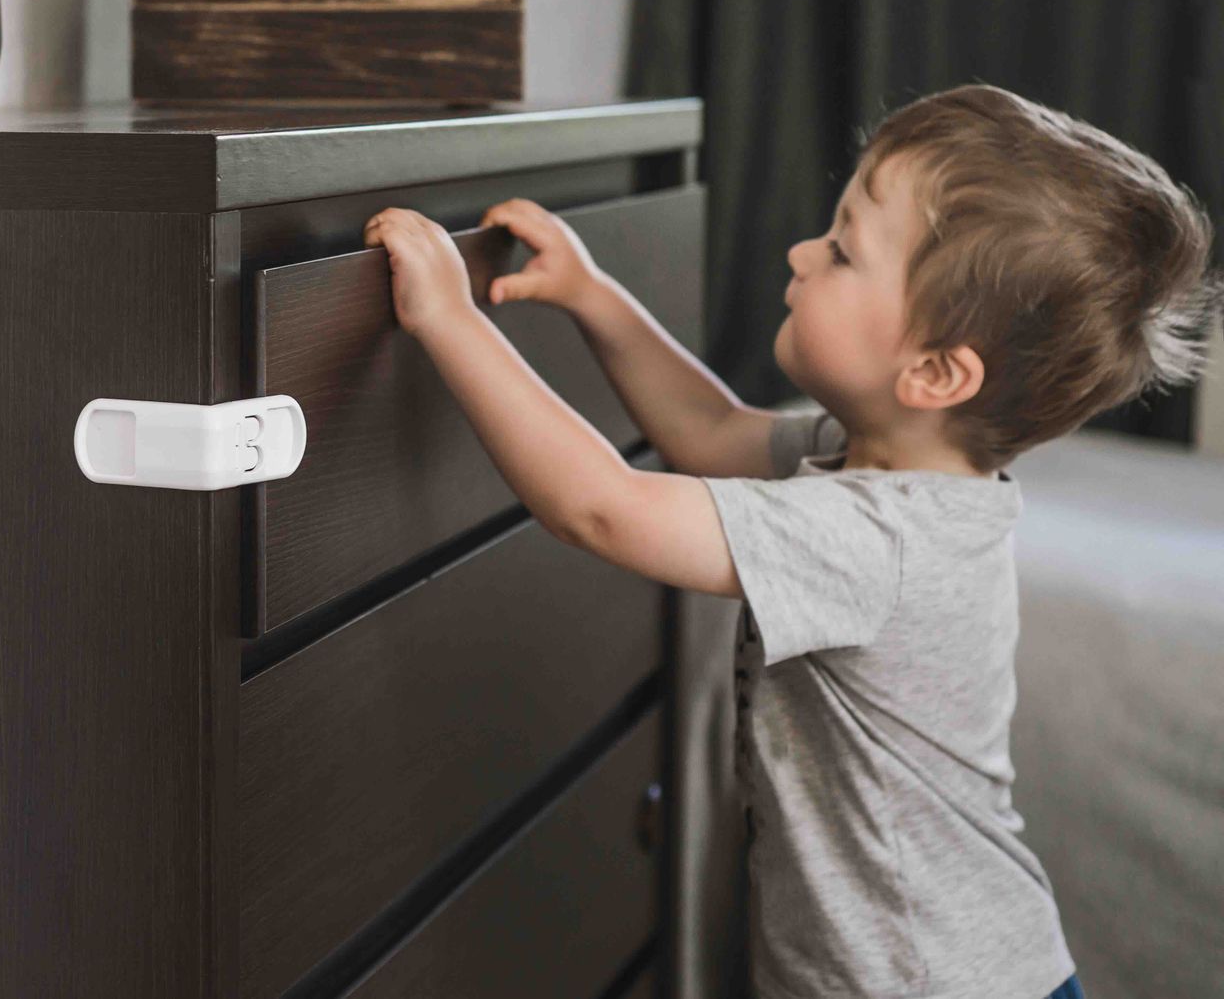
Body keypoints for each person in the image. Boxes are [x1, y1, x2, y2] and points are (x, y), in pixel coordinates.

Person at [363, 84, 1221, 999]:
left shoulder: (876, 539)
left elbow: (600, 508)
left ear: (933, 371)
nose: (802, 251)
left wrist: (450, 322)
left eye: (844, 251)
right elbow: (707, 428)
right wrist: (593, 296)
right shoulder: (877, 470)